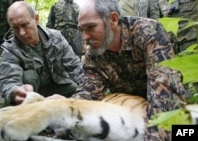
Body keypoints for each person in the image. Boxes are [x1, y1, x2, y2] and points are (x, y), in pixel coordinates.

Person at [68, 0, 190, 140]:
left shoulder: (148, 32)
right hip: (130, 109)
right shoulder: (94, 54)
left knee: (184, 132)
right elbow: (88, 92)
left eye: (90, 27)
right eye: (81, 30)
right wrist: (64, 108)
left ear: (113, 20)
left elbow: (165, 93)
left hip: (164, 105)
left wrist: (154, 137)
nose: (85, 37)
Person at [0, 1, 84, 105]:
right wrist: (15, 91)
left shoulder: (56, 38)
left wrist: (89, 89)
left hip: (56, 88)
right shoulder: (10, 48)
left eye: (25, 25)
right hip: (30, 96)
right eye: (15, 28)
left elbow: (75, 67)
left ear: (36, 19)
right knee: (29, 76)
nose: (22, 33)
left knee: (76, 89)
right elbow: (7, 80)